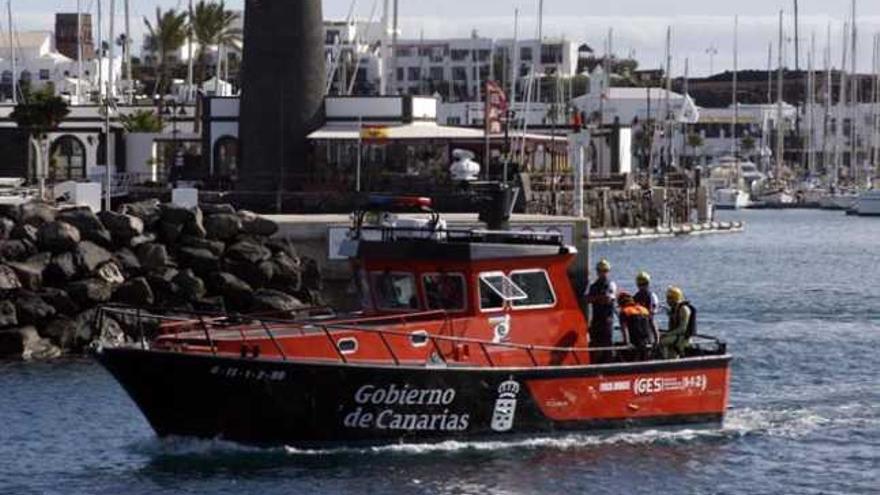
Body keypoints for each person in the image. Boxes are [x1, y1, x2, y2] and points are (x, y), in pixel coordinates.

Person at [585, 259, 617, 363]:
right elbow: (587, 299)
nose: (602, 273)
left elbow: (608, 299)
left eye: (604, 270)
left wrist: (595, 298)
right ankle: (594, 365)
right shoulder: (593, 286)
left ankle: (610, 364)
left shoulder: (611, 284)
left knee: (607, 345)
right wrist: (599, 298)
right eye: (600, 270)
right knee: (595, 344)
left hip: (607, 321)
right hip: (596, 320)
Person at [661, 286, 697, 359]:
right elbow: (672, 327)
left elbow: (683, 329)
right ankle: (670, 360)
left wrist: (667, 334)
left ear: (675, 298)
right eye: (667, 298)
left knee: (661, 341)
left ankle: (663, 360)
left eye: (670, 298)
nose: (667, 300)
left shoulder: (683, 309)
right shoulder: (674, 309)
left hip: (683, 338)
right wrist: (670, 316)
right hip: (677, 335)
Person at [617, 291, 654, 361]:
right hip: (647, 341)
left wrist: (627, 343)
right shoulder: (644, 309)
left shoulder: (624, 311)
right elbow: (653, 324)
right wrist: (655, 339)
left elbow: (624, 329)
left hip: (635, 342)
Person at [634, 271, 661, 348]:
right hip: (642, 328)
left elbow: (651, 318)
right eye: (640, 284)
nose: (642, 286)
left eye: (643, 284)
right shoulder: (637, 297)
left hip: (643, 328)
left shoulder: (650, 296)